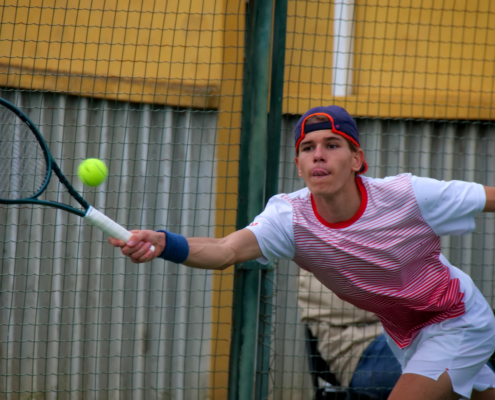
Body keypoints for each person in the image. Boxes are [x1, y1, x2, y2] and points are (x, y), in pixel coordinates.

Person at [108, 105, 495, 400]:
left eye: (332, 145)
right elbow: (225, 250)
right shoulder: (289, 218)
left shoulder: (408, 195)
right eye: (308, 148)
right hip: (404, 333)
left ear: (357, 159)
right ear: (298, 165)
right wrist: (165, 243)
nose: (318, 155)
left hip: (456, 317)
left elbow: (488, 197)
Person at [298, 270, 402, 399]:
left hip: (391, 343)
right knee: (423, 359)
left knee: (424, 348)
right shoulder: (313, 270)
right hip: (362, 357)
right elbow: (365, 305)